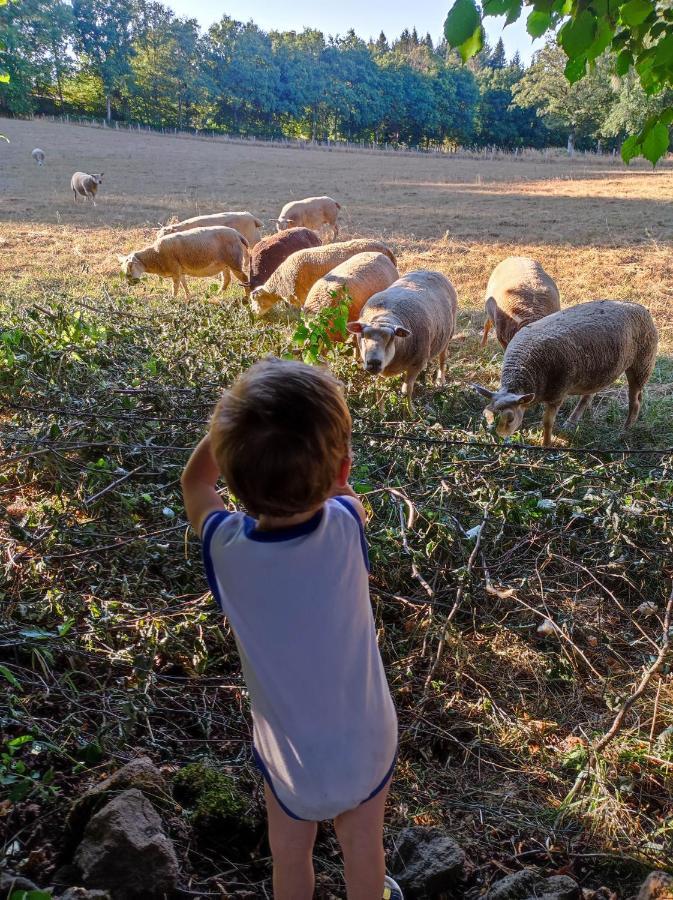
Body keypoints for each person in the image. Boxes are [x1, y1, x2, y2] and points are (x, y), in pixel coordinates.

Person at [181, 357, 402, 900]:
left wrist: (228, 427)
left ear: (232, 475)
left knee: (289, 852)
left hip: (289, 756)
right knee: (363, 846)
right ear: (344, 471)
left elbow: (194, 483)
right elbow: (344, 497)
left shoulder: (225, 548)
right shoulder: (348, 525)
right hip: (365, 741)